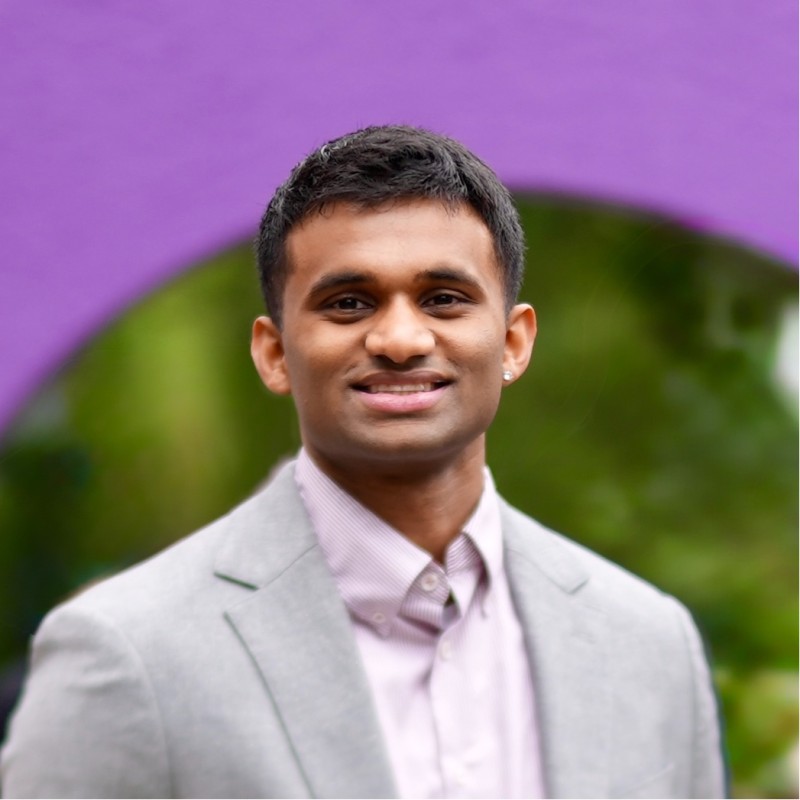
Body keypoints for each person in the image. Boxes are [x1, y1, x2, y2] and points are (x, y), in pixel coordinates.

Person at [0, 125, 725, 798]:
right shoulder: (129, 651)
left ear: (513, 343)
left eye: (444, 298)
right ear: (274, 352)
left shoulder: (650, 644)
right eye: (349, 303)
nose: (402, 339)